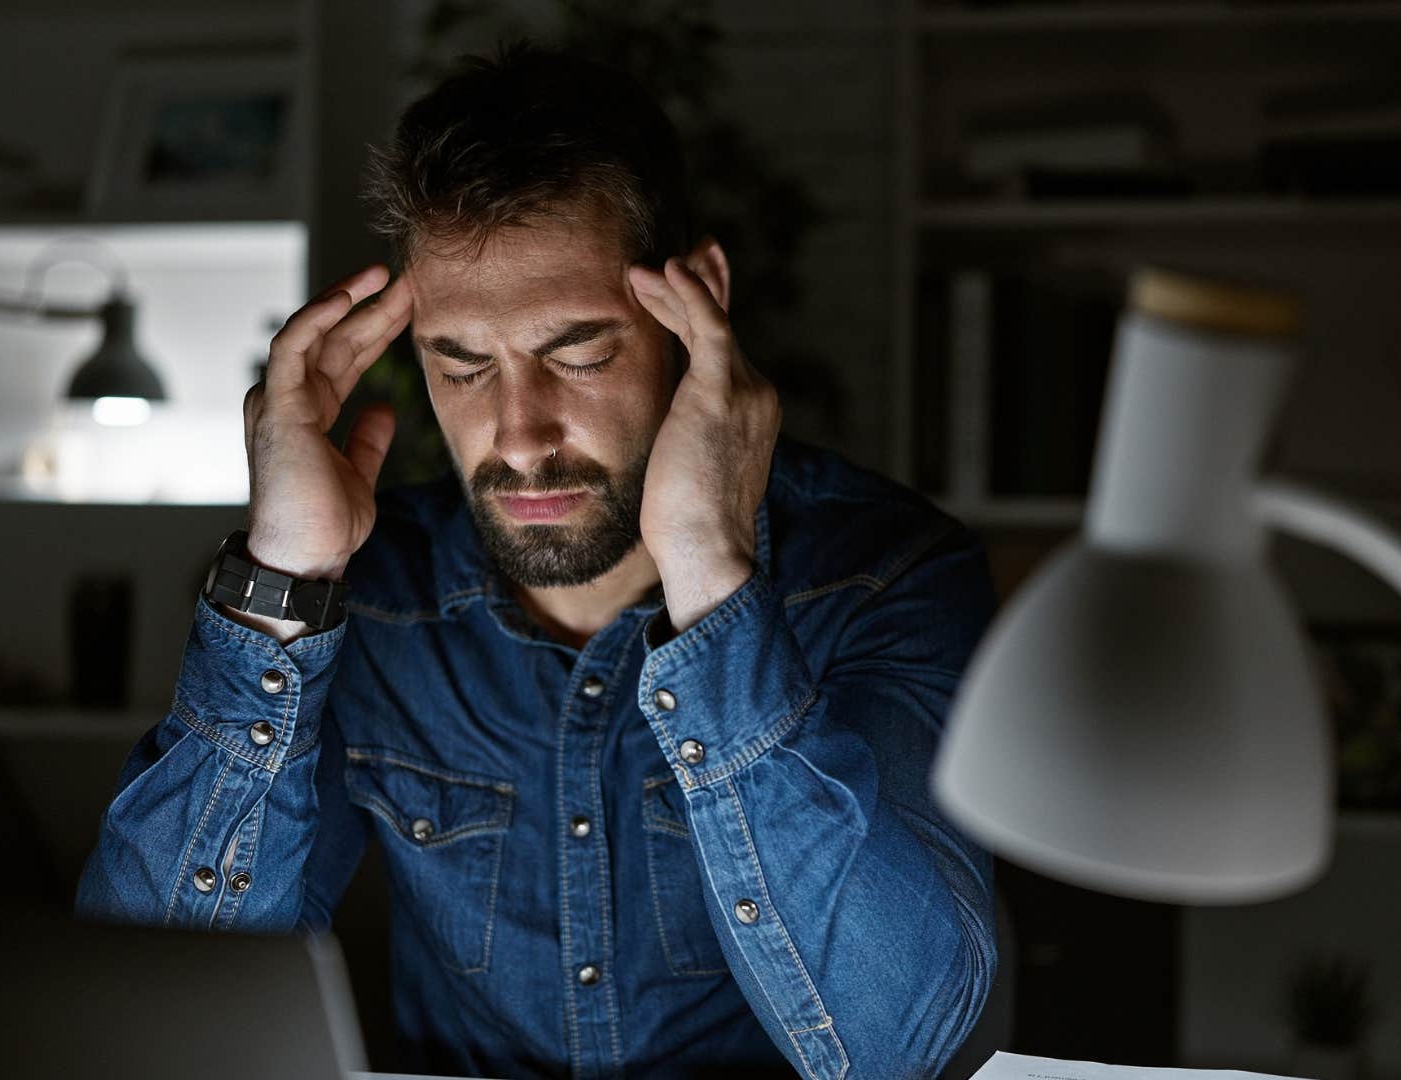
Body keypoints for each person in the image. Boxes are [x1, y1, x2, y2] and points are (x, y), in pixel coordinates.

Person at [76, 45, 998, 1080]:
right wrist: (282, 578)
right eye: (461, 366)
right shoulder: (375, 599)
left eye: (578, 355)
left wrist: (709, 575)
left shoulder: (884, 577)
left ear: (698, 302)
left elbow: (908, 1047)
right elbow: (150, 1004)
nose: (518, 435)